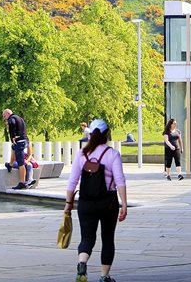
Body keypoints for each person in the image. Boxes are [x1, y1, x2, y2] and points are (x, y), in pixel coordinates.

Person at [64, 119, 127, 282]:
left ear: (90, 135)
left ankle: (82, 264)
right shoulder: (112, 154)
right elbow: (120, 180)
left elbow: (72, 181)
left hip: (86, 202)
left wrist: (68, 204)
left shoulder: (82, 154)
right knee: (108, 238)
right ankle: (104, 276)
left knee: (87, 238)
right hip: (108, 203)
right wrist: (124, 204)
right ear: (107, 134)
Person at [2, 109, 29, 190]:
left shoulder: (11, 119)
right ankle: (10, 164)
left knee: (21, 163)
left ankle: (22, 183)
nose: (4, 118)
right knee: (13, 147)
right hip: (24, 140)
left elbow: (12, 124)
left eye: (4, 116)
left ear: (8, 114)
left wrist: (12, 136)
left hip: (19, 142)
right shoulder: (19, 118)